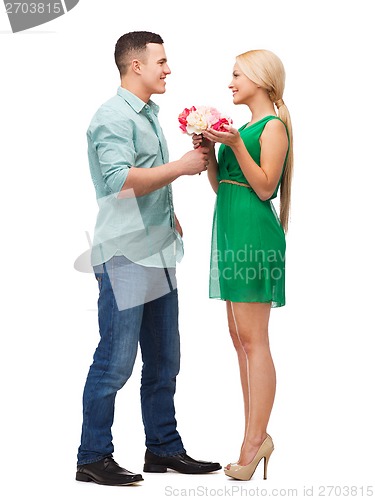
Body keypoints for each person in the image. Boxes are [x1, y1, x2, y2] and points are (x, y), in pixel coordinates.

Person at [76, 31, 221, 486]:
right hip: (124, 255)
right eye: (160, 61)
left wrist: (169, 214)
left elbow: (143, 177)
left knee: (165, 361)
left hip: (158, 251)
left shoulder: (149, 115)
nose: (168, 68)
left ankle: (162, 448)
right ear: (134, 66)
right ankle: (92, 456)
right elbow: (118, 180)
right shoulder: (112, 116)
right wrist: (179, 167)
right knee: (115, 362)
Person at [194, 49, 293, 481]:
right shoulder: (247, 128)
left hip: (253, 236)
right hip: (232, 233)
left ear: (259, 78)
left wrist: (235, 142)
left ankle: (254, 442)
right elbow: (225, 187)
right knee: (239, 338)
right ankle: (253, 438)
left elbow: (266, 186)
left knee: (254, 340)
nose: (230, 82)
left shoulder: (271, 127)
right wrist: (211, 152)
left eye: (236, 75)